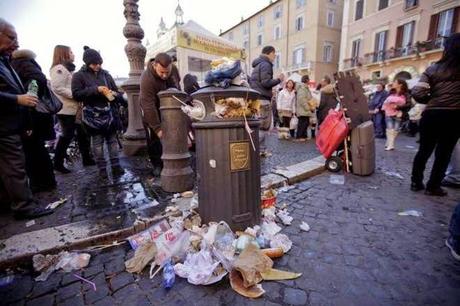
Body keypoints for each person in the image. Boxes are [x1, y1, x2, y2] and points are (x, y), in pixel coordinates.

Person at [0, 18, 53, 219]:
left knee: (13, 167)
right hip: (4, 126)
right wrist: (18, 99)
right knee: (14, 167)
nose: (16, 43)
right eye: (11, 38)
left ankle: (16, 201)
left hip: (12, 124)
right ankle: (23, 207)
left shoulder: (5, 60)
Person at [411, 33, 460, 196]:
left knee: (424, 150)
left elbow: (417, 92)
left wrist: (432, 100)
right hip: (454, 116)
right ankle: (433, 186)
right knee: (444, 153)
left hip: (432, 114)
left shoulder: (433, 69)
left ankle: (416, 182)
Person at [72, 46, 125, 179]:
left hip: (110, 113)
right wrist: (96, 89)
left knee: (112, 141)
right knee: (97, 143)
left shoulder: (106, 74)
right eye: (95, 64)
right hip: (92, 115)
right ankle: (102, 169)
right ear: (87, 63)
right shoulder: (79, 76)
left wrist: (114, 94)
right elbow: (76, 94)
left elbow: (117, 92)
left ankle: (116, 166)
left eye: (100, 63)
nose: (98, 66)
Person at [10, 49, 57, 193]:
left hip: (30, 114)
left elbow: (36, 82)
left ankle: (41, 183)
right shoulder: (27, 63)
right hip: (32, 114)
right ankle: (45, 182)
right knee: (36, 149)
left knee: (32, 150)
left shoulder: (20, 64)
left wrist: (29, 97)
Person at [50, 45, 95, 173]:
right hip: (66, 109)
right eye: (71, 52)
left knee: (82, 134)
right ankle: (57, 163)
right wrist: (75, 94)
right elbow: (57, 87)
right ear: (64, 54)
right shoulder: (59, 69)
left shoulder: (67, 70)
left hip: (74, 109)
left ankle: (86, 158)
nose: (73, 54)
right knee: (67, 136)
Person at [140, 53, 180, 176]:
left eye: (167, 72)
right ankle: (157, 164)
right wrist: (157, 128)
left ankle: (174, 160)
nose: (164, 75)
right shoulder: (146, 78)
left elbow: (177, 86)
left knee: (174, 133)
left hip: (169, 107)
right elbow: (148, 106)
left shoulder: (173, 69)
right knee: (154, 139)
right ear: (155, 65)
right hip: (151, 109)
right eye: (161, 72)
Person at [249, 45, 285, 130]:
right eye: (274, 54)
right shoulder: (266, 64)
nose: (275, 56)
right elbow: (266, 82)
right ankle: (260, 144)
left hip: (257, 98)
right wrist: (279, 79)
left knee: (257, 127)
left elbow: (261, 82)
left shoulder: (259, 64)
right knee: (262, 128)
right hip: (263, 100)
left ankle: (258, 143)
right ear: (270, 53)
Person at [381, 79, 408, 151]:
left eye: (395, 82)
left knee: (396, 130)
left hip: (398, 113)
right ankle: (391, 145)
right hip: (389, 112)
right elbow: (386, 101)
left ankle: (388, 142)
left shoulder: (405, 93)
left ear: (400, 84)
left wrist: (397, 106)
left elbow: (408, 104)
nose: (393, 83)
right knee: (390, 129)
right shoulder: (391, 91)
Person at [294, 75, 313, 142]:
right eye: (309, 79)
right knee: (302, 123)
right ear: (307, 80)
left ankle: (304, 136)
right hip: (303, 109)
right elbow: (302, 99)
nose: (309, 80)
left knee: (305, 123)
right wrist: (307, 107)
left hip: (305, 109)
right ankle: (299, 136)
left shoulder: (305, 87)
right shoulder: (302, 88)